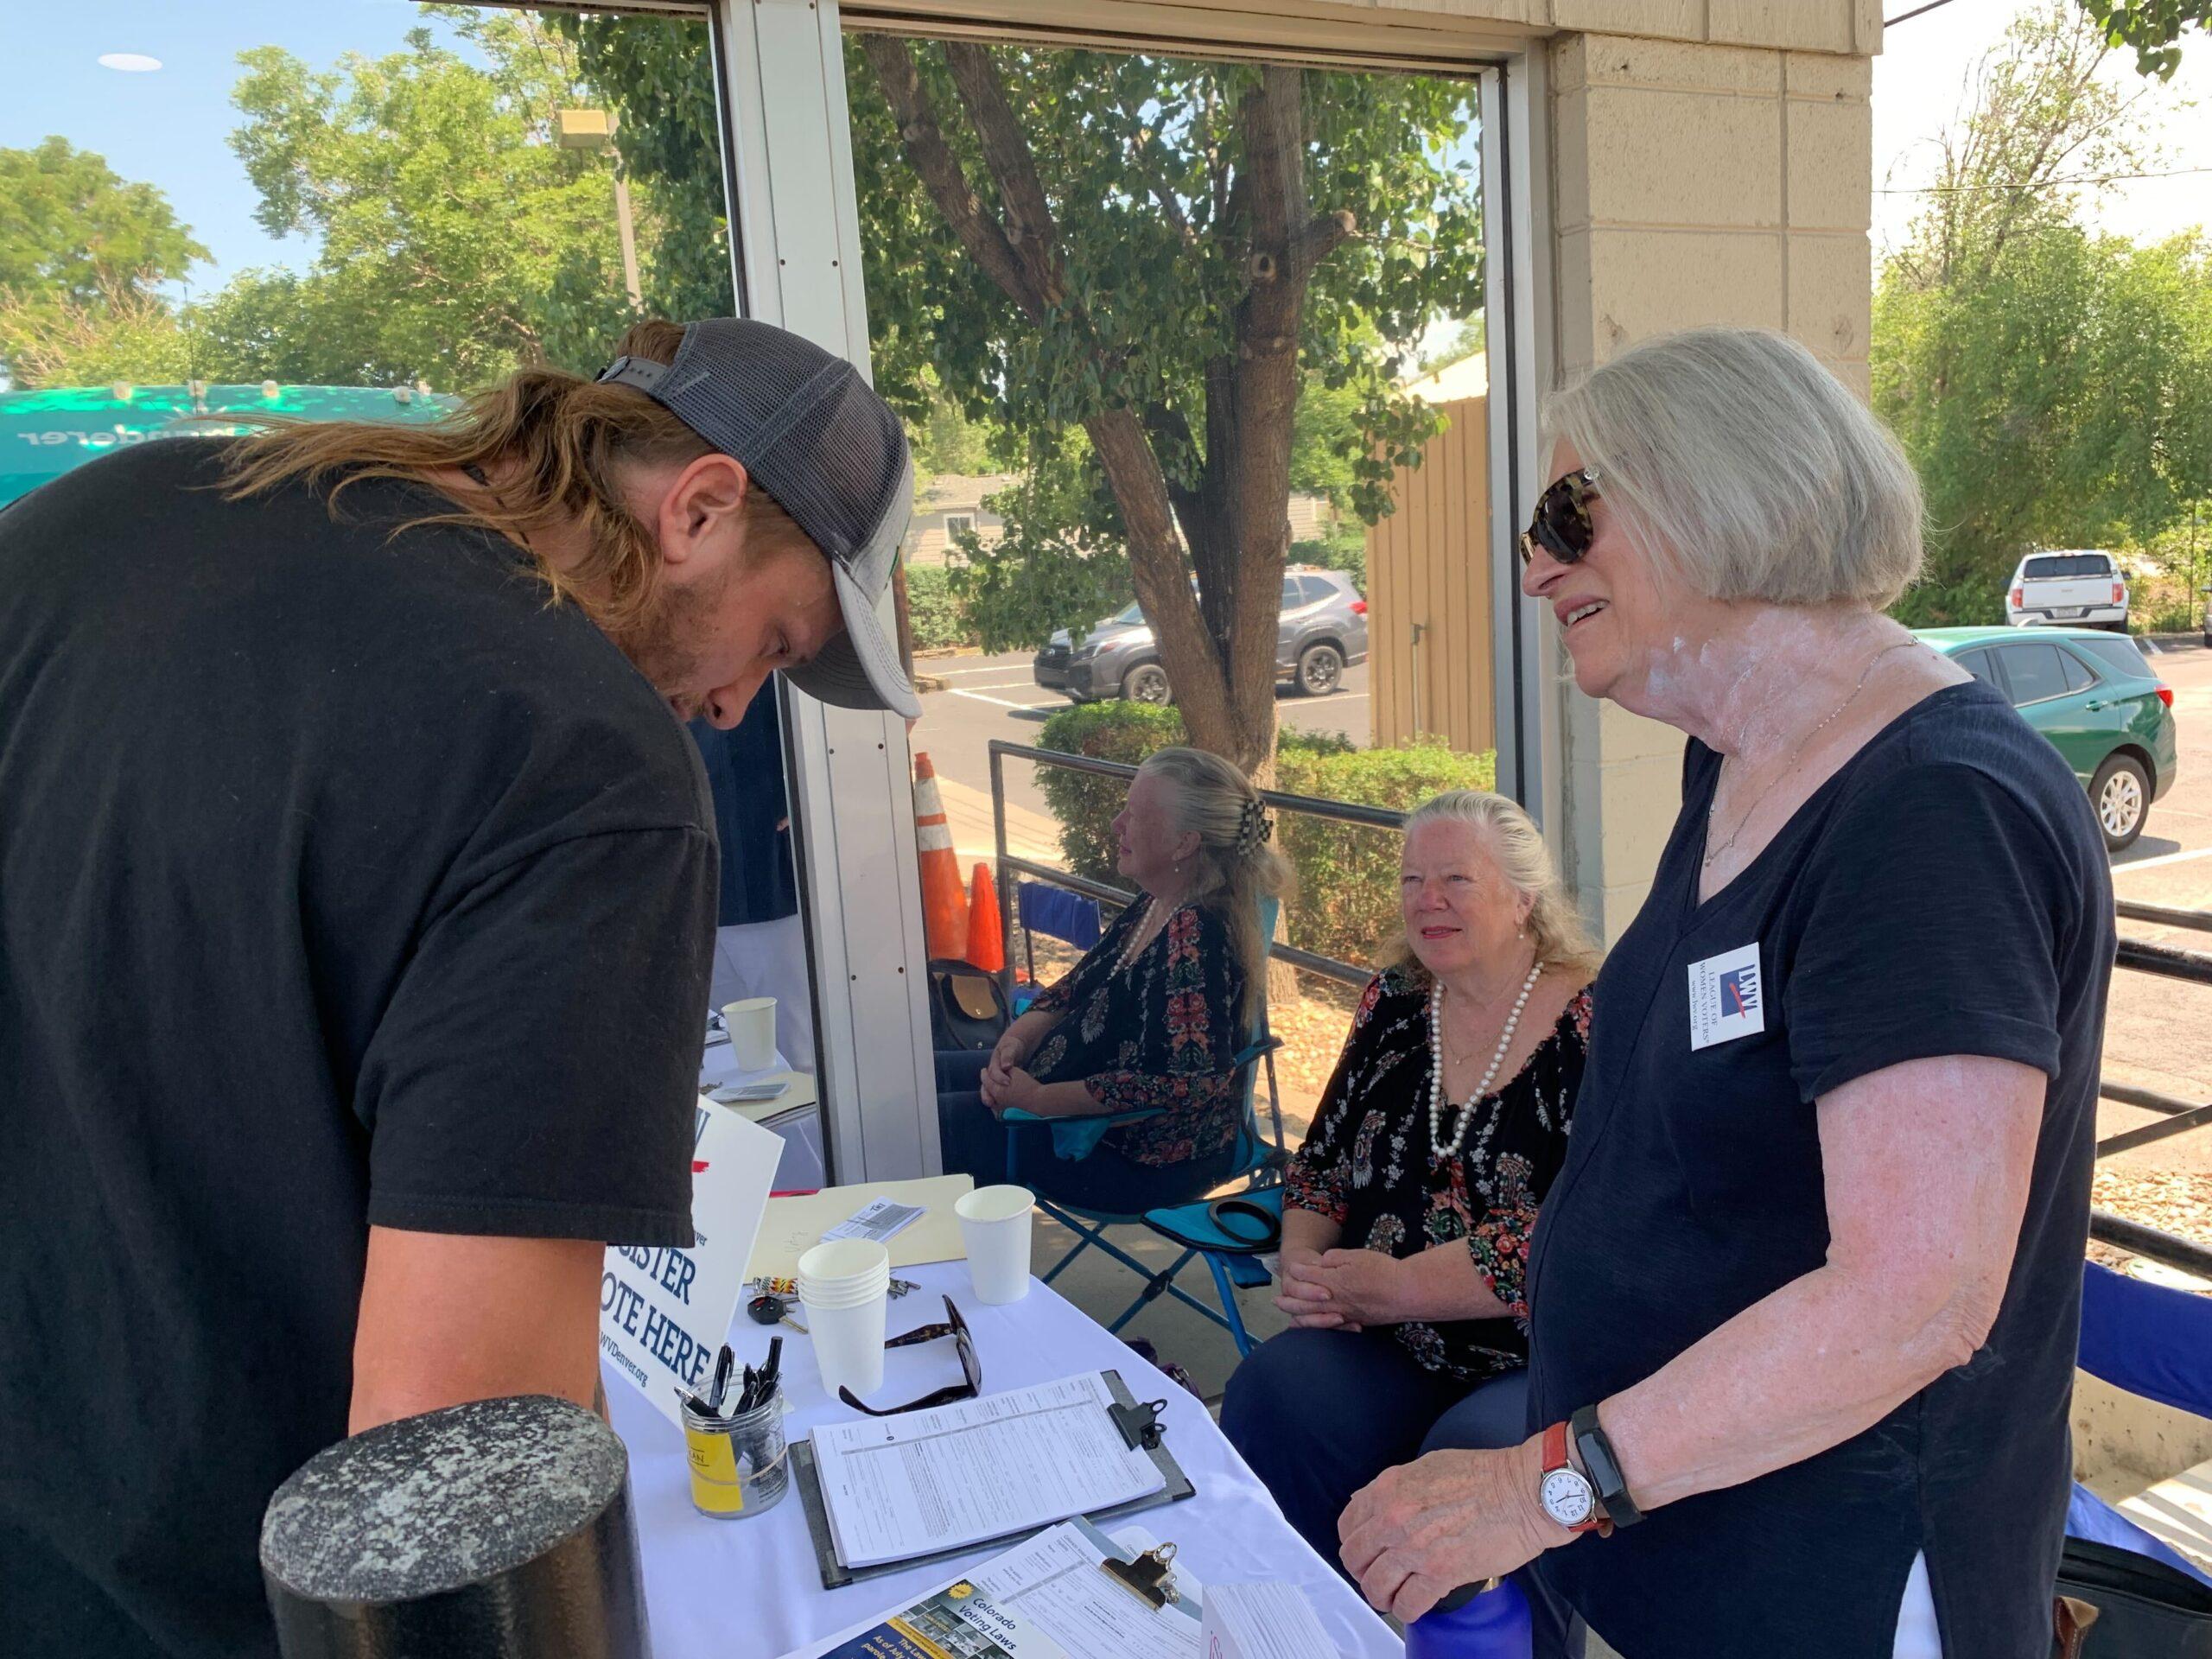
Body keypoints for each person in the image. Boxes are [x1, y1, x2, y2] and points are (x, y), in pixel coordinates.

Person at [0, 315, 918, 1658]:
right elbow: (464, 1469)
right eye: (776, 646)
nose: (734, 712)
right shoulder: (583, 761)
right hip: (198, 1601)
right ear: (701, 511)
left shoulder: (117, 509)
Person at [1337, 327, 2114, 1659]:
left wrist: (1542, 1484)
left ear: (1722, 489)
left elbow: (1915, 1299)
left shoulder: (1934, 812)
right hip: (1682, 1548)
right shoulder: (1739, 767)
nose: (1537, 569)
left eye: (1568, 517)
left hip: (1834, 1580)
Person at [1222, 791, 1597, 1581]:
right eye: (1411, 879)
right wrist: (1307, 1267)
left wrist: (1397, 1288)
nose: (1427, 900)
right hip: (1383, 1336)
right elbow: (1321, 1159)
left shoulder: (1598, 1019)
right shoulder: (1395, 1003)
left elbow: (1590, 1229)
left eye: (1456, 879)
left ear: (1524, 896)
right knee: (1277, 1390)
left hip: (1542, 1355)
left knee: (1468, 1463)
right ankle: (1317, 1623)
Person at [935, 747, 1289, 1212]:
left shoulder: (1197, 934)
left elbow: (1186, 1082)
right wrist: (1014, 1042)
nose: (1117, 824)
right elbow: (1075, 986)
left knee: (924, 1124)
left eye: (1136, 815)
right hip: (1069, 1100)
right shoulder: (1159, 902)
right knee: (912, 1080)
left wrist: (1039, 1099)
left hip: (1137, 1158)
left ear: (1185, 844)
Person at [690, 691, 816, 1071]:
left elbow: (890, 715)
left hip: (772, 886)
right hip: (700, 889)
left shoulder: (782, 652)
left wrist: (820, 790)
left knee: (799, 1057)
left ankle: (816, 1132)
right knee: (722, 1061)